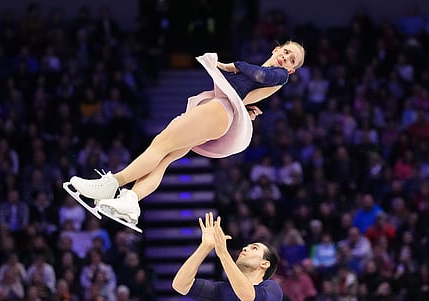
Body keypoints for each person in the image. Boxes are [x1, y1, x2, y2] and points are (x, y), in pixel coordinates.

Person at [64, 42, 305, 229]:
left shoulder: (279, 75)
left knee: (160, 145)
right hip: (219, 111)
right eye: (285, 51)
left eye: (291, 59)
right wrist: (232, 79)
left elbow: (260, 77)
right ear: (276, 49)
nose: (286, 58)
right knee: (165, 155)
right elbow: (247, 86)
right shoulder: (262, 71)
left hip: (218, 111)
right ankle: (131, 201)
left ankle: (111, 184)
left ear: (292, 69)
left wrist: (230, 65)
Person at [172, 212, 283, 301]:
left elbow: (248, 297)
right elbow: (180, 285)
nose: (245, 248)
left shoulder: (272, 288)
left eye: (254, 248)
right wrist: (206, 246)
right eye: (246, 246)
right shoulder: (222, 290)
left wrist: (223, 254)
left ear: (265, 264)